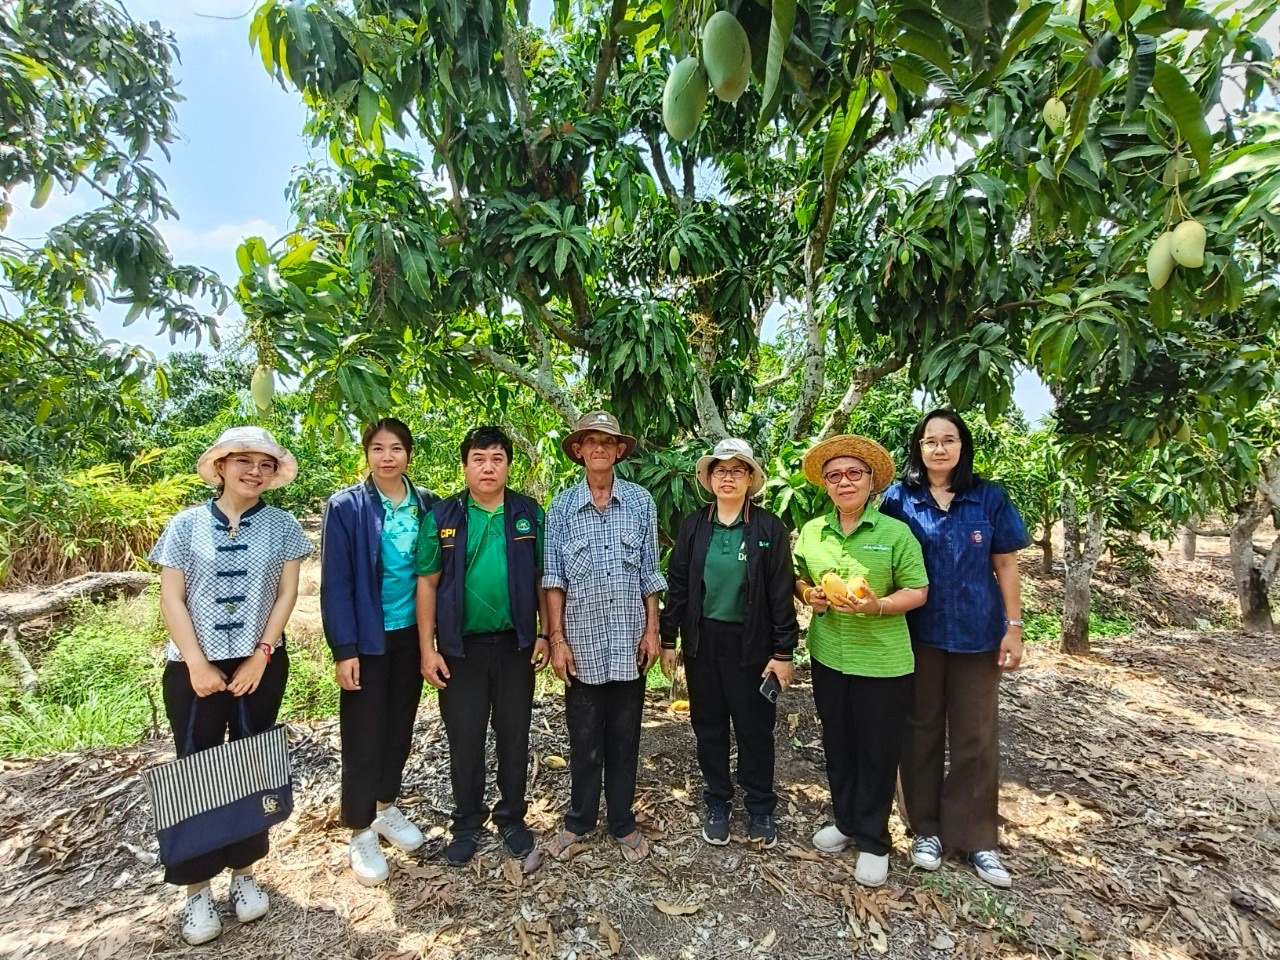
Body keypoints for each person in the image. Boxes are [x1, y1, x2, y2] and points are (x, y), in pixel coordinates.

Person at [149, 426, 312, 945]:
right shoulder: (186, 525)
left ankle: (245, 873)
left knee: (248, 765)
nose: (254, 472)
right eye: (243, 461)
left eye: (265, 465)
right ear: (220, 466)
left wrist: (262, 654)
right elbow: (172, 598)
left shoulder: (283, 526)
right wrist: (196, 662)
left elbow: (287, 594)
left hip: (259, 661)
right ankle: (196, 888)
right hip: (193, 665)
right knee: (195, 768)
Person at [879, 409, 1031, 889]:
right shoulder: (900, 498)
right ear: (918, 449)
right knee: (919, 728)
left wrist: (1014, 628)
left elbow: (1005, 565)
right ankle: (924, 828)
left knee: (975, 734)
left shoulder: (987, 497)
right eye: (930, 441)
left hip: (976, 634)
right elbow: (881, 554)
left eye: (949, 440)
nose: (939, 448)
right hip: (917, 634)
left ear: (962, 446)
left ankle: (974, 837)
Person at [792, 433, 929, 888]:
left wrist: (879, 606)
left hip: (883, 661)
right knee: (839, 743)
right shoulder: (813, 532)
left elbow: (918, 590)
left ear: (871, 481)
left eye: (854, 473)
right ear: (825, 486)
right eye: (834, 476)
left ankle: (874, 839)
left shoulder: (894, 533)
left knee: (877, 750)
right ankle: (847, 821)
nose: (844, 481)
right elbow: (798, 576)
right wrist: (808, 593)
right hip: (830, 655)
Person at [415, 425, 550, 866]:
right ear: (466, 465)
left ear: (509, 465)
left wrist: (546, 633)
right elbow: (428, 583)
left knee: (514, 735)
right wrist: (427, 649)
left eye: (497, 458)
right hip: (459, 649)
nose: (488, 467)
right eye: (479, 458)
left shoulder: (529, 514)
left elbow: (543, 579)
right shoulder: (443, 516)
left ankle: (512, 817)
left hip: (516, 646)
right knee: (465, 738)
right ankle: (467, 822)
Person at [659, 438, 798, 848]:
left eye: (738, 470)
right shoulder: (695, 525)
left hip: (752, 643)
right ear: (709, 478)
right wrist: (669, 638)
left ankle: (760, 807)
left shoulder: (768, 527)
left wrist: (783, 652)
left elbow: (779, 592)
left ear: (751, 478)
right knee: (710, 726)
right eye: (721, 470)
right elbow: (679, 584)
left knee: (755, 728)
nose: (728, 477)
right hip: (704, 641)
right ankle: (718, 800)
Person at [542, 411, 666, 864]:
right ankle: (579, 820)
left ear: (618, 451)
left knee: (625, 735)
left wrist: (653, 630)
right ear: (579, 451)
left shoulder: (640, 502)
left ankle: (622, 821)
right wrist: (557, 638)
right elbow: (553, 578)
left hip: (630, 638)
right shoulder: (560, 507)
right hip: (581, 641)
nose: (598, 448)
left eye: (607, 442)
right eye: (589, 441)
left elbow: (651, 573)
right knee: (584, 735)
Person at [321, 418, 438, 886]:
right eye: (377, 449)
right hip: (367, 639)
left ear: (409, 453)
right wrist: (344, 648)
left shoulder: (426, 503)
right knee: (363, 732)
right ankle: (358, 828)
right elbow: (337, 583)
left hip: (411, 634)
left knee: (399, 727)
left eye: (396, 448)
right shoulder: (346, 506)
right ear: (366, 454)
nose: (387, 457)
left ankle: (387, 807)